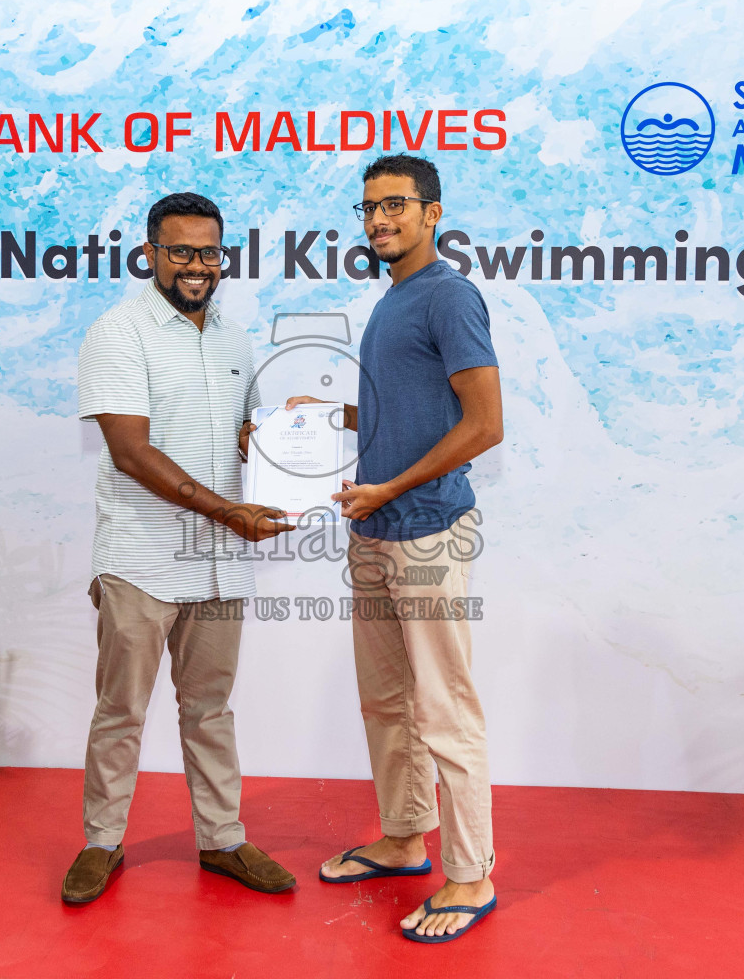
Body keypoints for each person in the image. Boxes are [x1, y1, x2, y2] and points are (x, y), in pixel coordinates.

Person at [288, 155, 504, 942]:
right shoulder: (393, 301)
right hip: (373, 531)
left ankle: (472, 873)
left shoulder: (448, 295)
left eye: (395, 207)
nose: (380, 220)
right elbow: (413, 411)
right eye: (369, 208)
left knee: (446, 706)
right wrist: (327, 419)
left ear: (432, 212)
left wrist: (387, 489)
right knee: (386, 701)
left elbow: (485, 425)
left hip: (429, 534)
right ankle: (405, 835)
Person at [62, 192, 297, 905]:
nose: (197, 266)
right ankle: (101, 842)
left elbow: (238, 435)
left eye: (209, 252)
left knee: (210, 708)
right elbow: (132, 452)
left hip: (220, 563)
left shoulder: (233, 336)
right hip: (140, 557)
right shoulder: (118, 333)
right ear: (151, 254)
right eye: (182, 251)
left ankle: (222, 839)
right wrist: (230, 511)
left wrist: (288, 444)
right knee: (121, 710)